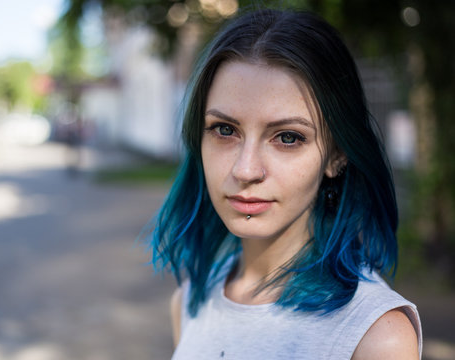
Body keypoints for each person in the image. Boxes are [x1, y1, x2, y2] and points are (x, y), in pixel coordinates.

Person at [149, 8, 422, 359]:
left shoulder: (375, 337)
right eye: (225, 130)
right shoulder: (188, 302)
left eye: (288, 137)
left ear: (337, 155)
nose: (246, 170)